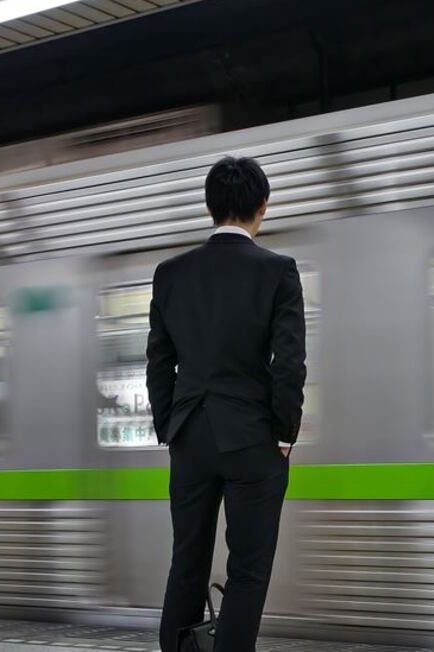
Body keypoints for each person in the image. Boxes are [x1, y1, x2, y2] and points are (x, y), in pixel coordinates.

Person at [147, 156, 307, 652]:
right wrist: (284, 435)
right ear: (263, 207)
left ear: (209, 207)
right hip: (252, 440)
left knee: (187, 562)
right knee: (248, 570)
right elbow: (290, 362)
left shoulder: (170, 273)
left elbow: (158, 362)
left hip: (190, 438)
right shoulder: (278, 271)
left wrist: (170, 429)